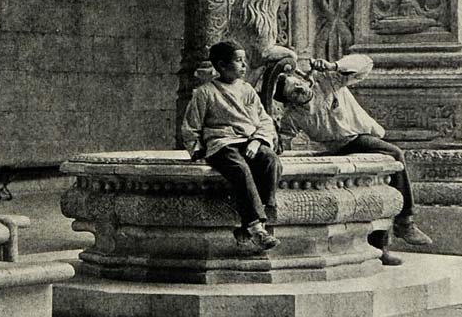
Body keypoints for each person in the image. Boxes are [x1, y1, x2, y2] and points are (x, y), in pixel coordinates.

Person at [274, 53, 433, 253]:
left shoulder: (328, 82)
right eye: (294, 93)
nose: (301, 90)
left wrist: (334, 66)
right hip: (336, 149)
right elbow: (283, 139)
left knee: (394, 155)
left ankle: (405, 221)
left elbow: (366, 64)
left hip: (359, 139)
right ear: (291, 103)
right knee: (373, 185)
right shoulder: (293, 116)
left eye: (298, 84)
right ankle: (382, 248)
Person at [181, 41, 280, 252]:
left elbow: (264, 120)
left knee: (270, 158)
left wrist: (257, 140)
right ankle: (256, 228)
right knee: (240, 168)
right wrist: (197, 150)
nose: (244, 65)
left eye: (244, 61)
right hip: (221, 143)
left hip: (248, 140)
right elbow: (191, 126)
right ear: (222, 65)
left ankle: (262, 214)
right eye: (238, 61)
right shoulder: (205, 92)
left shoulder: (247, 90)